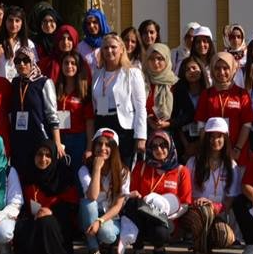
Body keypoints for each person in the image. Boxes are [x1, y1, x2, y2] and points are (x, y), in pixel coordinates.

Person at [122, 131, 191, 254]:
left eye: (163, 145)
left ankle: (159, 247)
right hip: (143, 215)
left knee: (160, 232)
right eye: (154, 146)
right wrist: (133, 195)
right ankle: (138, 249)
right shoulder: (141, 167)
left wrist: (167, 217)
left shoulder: (182, 171)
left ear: (170, 146)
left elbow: (185, 204)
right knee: (132, 203)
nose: (159, 149)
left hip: (165, 219)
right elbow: (130, 193)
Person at [182, 118, 241, 254]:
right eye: (211, 136)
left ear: (225, 138)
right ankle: (201, 248)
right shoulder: (193, 162)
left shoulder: (232, 166)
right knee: (204, 210)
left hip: (216, 211)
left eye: (219, 136)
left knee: (225, 238)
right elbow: (186, 193)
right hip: (194, 211)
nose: (215, 140)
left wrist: (214, 206)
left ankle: (204, 240)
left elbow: (230, 200)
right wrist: (200, 204)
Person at [16, 140, 80, 254]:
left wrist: (51, 211)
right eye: (39, 154)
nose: (43, 159)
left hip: (56, 221)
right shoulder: (27, 176)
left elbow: (71, 206)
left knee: (46, 222)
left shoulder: (62, 176)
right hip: (32, 219)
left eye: (48, 155)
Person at [90, 33, 147, 165]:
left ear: (122, 49)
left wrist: (141, 136)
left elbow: (140, 108)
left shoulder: (132, 73)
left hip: (123, 126)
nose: (109, 51)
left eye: (113, 47)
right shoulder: (98, 73)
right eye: (105, 48)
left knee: (123, 166)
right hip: (101, 122)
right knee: (104, 166)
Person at [8, 48, 64, 175]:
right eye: (17, 61)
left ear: (32, 61)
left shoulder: (44, 82)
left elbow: (52, 114)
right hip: (19, 139)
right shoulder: (15, 83)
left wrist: (57, 142)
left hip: (39, 138)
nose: (21, 64)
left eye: (26, 60)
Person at [78, 128, 130, 254]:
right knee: (87, 203)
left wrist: (99, 221)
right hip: (90, 213)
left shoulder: (123, 172)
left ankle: (104, 243)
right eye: (99, 144)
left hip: (110, 216)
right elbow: (92, 196)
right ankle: (93, 249)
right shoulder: (84, 170)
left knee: (107, 235)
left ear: (114, 149)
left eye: (108, 145)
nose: (103, 148)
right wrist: (96, 169)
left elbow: (118, 206)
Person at [194, 52, 253, 165]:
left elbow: (247, 124)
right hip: (212, 151)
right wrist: (208, 149)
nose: (221, 72)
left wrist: (237, 149)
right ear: (212, 70)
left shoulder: (241, 94)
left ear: (232, 69)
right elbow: (201, 125)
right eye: (217, 68)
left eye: (225, 68)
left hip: (237, 153)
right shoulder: (207, 94)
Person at [54, 50, 94, 173]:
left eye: (73, 63)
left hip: (78, 140)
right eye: (66, 63)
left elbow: (89, 122)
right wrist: (57, 142)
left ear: (78, 66)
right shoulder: (55, 89)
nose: (69, 66)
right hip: (60, 139)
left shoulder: (84, 92)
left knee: (78, 175)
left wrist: (89, 147)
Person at [170, 55, 207, 163]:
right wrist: (187, 146)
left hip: (205, 141)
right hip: (183, 142)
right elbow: (176, 119)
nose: (191, 71)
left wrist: (199, 144)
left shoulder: (208, 92)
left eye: (194, 68)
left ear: (201, 69)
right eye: (187, 69)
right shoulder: (178, 93)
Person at [143, 43, 178, 134]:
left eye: (160, 58)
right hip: (146, 132)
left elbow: (186, 114)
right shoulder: (142, 82)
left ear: (166, 60)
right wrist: (148, 119)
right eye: (151, 59)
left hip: (170, 133)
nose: (155, 62)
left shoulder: (175, 83)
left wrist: (168, 123)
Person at [0, 5, 36, 80]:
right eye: (10, 20)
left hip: (21, 86)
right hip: (2, 87)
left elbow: (34, 68)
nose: (13, 24)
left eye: (17, 21)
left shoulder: (29, 44)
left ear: (22, 23)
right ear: (5, 22)